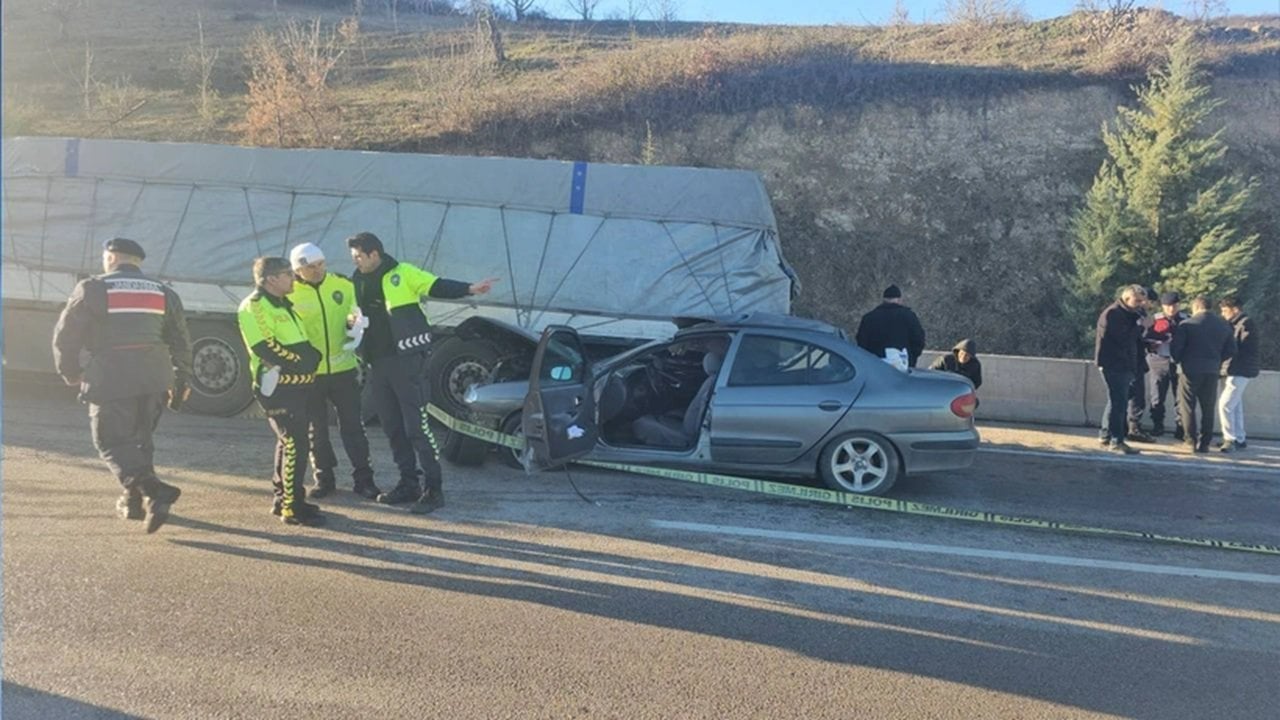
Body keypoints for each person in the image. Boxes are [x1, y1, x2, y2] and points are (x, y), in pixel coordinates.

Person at [347, 232, 497, 514]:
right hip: (377, 363)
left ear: (374, 254)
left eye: (359, 257)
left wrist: (470, 288)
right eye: (353, 257)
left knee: (416, 426)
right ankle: (408, 483)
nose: (355, 262)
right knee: (391, 426)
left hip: (406, 359)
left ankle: (433, 488)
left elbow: (435, 285)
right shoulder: (357, 279)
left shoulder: (403, 272)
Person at [51, 238, 193, 533]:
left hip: (111, 375)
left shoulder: (93, 288)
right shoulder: (163, 291)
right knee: (139, 441)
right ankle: (133, 505)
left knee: (110, 441)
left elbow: (66, 335)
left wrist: (70, 371)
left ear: (112, 258)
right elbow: (180, 339)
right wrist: (182, 380)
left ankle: (155, 492)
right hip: (155, 376)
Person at [286, 243, 381, 500]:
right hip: (310, 374)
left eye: (320, 265)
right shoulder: (289, 294)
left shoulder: (342, 285)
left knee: (353, 427)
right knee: (316, 429)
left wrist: (355, 323)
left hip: (343, 369)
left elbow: (354, 313)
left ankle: (364, 479)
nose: (317, 271)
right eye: (309, 268)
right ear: (297, 270)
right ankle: (324, 479)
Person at [238, 257, 325, 526]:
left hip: (299, 385)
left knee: (289, 443)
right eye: (288, 274)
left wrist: (310, 356)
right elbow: (265, 347)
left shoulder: (284, 303)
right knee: (294, 444)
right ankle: (291, 508)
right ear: (272, 279)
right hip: (279, 387)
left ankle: (286, 498)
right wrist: (301, 360)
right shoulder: (254, 306)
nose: (294, 278)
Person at [1170, 295, 1236, 454]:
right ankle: (1205, 442)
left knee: (1187, 406)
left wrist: (1179, 361)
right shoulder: (1223, 325)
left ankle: (1190, 440)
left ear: (1196, 307)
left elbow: (1176, 350)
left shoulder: (1186, 325)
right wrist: (1217, 360)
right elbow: (1232, 350)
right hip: (1212, 370)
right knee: (1208, 407)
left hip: (1189, 370)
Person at [1094, 284, 1146, 455]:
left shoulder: (1130, 314)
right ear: (1126, 298)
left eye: (1142, 301)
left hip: (1125, 363)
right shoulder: (1113, 314)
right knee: (1119, 402)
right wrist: (1141, 326)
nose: (1140, 304)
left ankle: (1106, 434)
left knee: (1116, 400)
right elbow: (1122, 339)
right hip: (1114, 363)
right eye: (1137, 300)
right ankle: (1117, 441)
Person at [1143, 291, 1188, 440]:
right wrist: (1153, 344)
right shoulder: (1154, 319)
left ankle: (1181, 428)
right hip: (1158, 359)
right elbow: (1143, 338)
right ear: (1162, 306)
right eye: (1167, 306)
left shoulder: (1186, 320)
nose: (1171, 309)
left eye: (1174, 306)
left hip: (1179, 362)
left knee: (1180, 397)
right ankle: (1157, 425)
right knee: (1156, 396)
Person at [1216, 295, 1258, 453]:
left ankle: (1229, 438)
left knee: (1225, 405)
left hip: (1240, 369)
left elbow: (1236, 346)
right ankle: (1239, 438)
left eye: (1225, 311)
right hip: (1237, 369)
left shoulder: (1245, 324)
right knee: (1235, 405)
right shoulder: (1239, 323)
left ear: (1235, 310)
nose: (1223, 314)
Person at [855, 284, 927, 368]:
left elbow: (861, 344)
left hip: (875, 369)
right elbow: (919, 340)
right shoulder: (909, 316)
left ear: (883, 299)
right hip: (903, 368)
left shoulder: (869, 318)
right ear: (900, 300)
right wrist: (912, 358)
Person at [1123, 288, 1156, 443]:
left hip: (1137, 357)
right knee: (1134, 395)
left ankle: (1131, 426)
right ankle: (1132, 427)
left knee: (1135, 395)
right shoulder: (1134, 315)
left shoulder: (1139, 314)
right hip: (1131, 360)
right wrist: (1144, 326)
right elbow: (1131, 335)